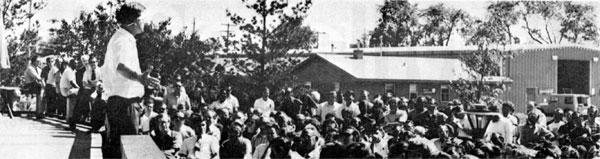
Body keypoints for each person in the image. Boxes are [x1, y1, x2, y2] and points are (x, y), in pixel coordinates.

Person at [100, 2, 160, 157]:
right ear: (132, 22)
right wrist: (139, 78)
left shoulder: (123, 38)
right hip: (124, 105)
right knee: (127, 149)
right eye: (142, 18)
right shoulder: (123, 40)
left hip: (121, 104)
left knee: (118, 149)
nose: (144, 22)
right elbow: (121, 67)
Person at [60, 59, 79, 131]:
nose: (76, 65)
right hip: (65, 90)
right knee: (81, 94)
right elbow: (73, 83)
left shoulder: (72, 71)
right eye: (75, 63)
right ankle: (72, 123)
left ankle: (73, 122)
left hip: (68, 89)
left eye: (77, 63)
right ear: (71, 64)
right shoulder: (68, 71)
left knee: (74, 106)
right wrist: (79, 89)